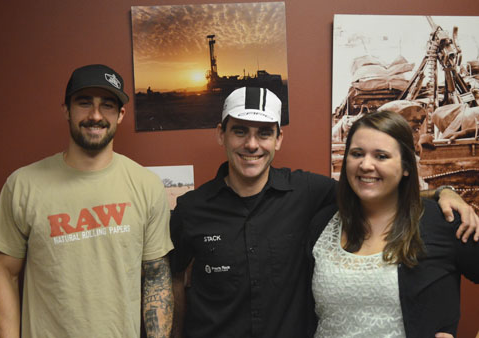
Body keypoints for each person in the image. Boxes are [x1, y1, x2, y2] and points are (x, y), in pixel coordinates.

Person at [169, 87, 479, 338]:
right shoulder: (192, 208)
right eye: (240, 131)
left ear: (278, 139)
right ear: (221, 135)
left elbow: (379, 189)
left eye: (264, 133)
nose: (252, 144)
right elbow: (170, 278)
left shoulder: (307, 193)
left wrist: (443, 192)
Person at [0, 64, 174, 338]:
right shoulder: (23, 185)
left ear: (120, 114)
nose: (95, 115)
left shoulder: (147, 185)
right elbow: (4, 274)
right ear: (66, 110)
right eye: (84, 103)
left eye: (107, 105)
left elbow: (156, 276)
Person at [307, 110, 479, 338]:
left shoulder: (443, 221)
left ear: (407, 166)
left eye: (381, 156)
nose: (366, 165)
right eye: (357, 153)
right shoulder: (323, 222)